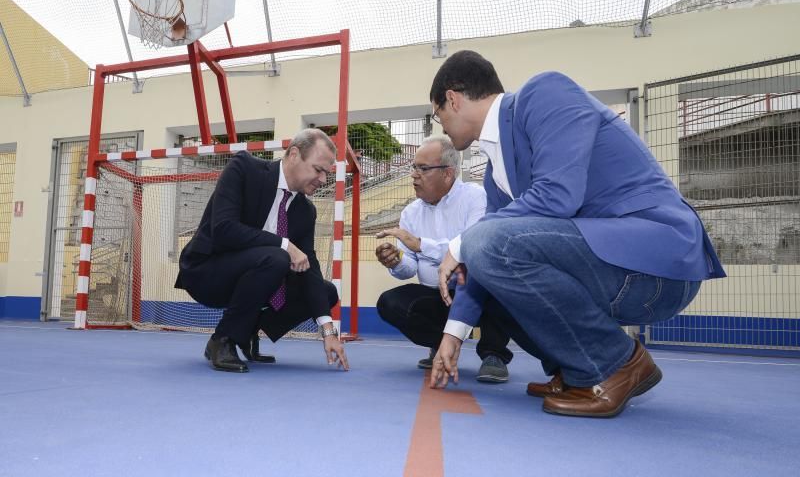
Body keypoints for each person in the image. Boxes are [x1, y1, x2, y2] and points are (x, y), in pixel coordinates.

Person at [428, 50, 726, 417]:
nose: (439, 122)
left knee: (486, 242)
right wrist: (452, 336)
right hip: (605, 265)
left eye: (437, 113)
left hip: (656, 262)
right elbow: (483, 264)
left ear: (452, 98)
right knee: (491, 260)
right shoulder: (495, 175)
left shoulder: (544, 92)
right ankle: (577, 370)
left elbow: (557, 197)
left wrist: (460, 243)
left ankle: (614, 364)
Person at [175, 128, 349, 373]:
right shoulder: (244, 168)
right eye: (318, 170)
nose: (322, 180)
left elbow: (308, 265)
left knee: (325, 290)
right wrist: (285, 244)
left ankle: (246, 332)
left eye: (326, 174)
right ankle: (222, 340)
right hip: (207, 272)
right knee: (277, 257)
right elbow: (223, 229)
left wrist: (328, 330)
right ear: (294, 155)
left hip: (258, 274)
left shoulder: (305, 210)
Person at [375, 135, 513, 383]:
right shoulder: (411, 212)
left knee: (493, 282)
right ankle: (441, 345)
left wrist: (419, 244)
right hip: (437, 295)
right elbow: (409, 269)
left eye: (423, 168)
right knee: (389, 303)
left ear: (448, 174)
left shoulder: (476, 198)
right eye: (413, 167)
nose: (414, 175)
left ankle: (494, 354)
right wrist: (395, 261)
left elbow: (472, 249)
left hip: (475, 292)